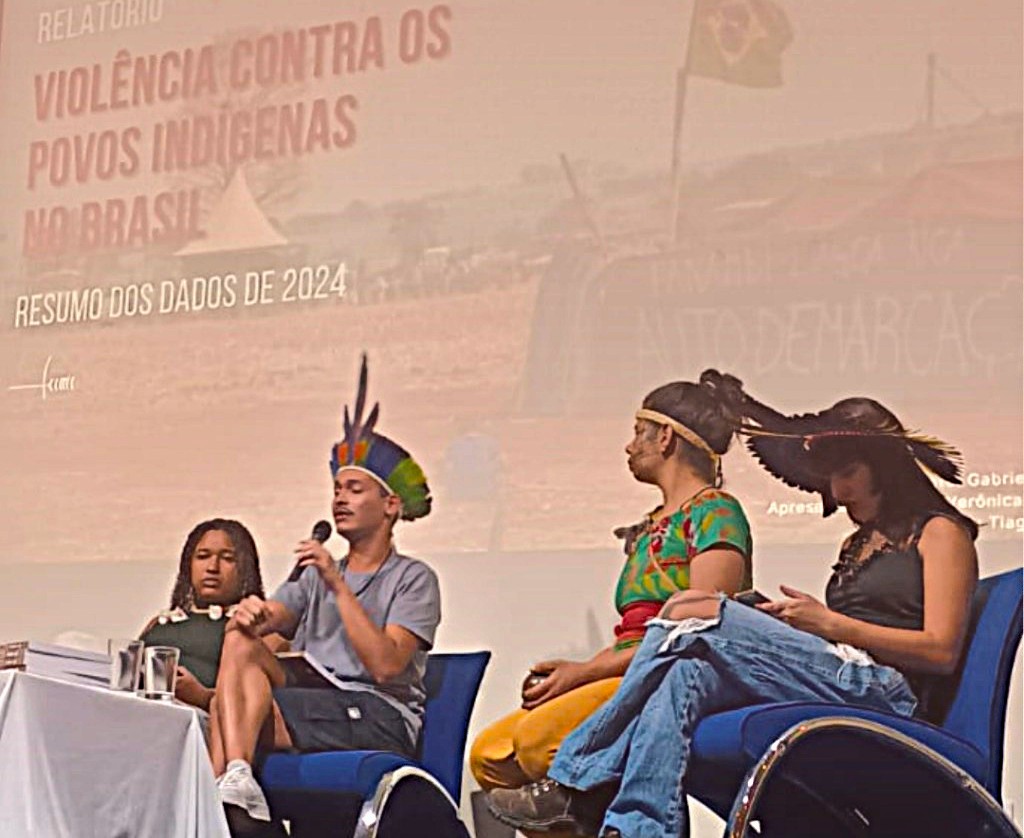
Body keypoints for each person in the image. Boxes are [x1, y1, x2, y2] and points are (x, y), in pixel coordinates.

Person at [487, 387, 979, 838]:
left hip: (892, 695)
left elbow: (941, 650)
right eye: (831, 476)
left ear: (884, 468)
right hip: (844, 672)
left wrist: (828, 623)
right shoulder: (857, 544)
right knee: (688, 670)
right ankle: (640, 829)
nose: (837, 489)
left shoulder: (940, 532)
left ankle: (577, 783)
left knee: (690, 611)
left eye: (847, 472)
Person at [470, 372, 754, 813]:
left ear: (666, 438)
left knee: (536, 743)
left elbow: (700, 628)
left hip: (669, 677)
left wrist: (585, 674)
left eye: (639, 433)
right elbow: (633, 634)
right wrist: (584, 669)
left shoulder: (717, 512)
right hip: (629, 667)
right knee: (490, 755)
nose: (629, 445)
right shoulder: (651, 525)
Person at [207, 355, 441, 823]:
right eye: (336, 490)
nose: (339, 499)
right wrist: (253, 614)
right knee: (238, 641)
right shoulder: (314, 574)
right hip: (317, 699)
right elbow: (272, 619)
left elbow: (385, 665)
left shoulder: (413, 578)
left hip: (377, 713)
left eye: (354, 489)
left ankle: (213, 809)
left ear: (391, 505)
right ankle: (230, 781)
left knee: (226, 713)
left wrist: (337, 584)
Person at [140, 518, 267, 710]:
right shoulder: (159, 623)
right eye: (202, 556)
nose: (212, 568)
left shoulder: (260, 628)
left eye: (227, 558)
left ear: (245, 569)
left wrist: (203, 697)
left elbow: (266, 707)